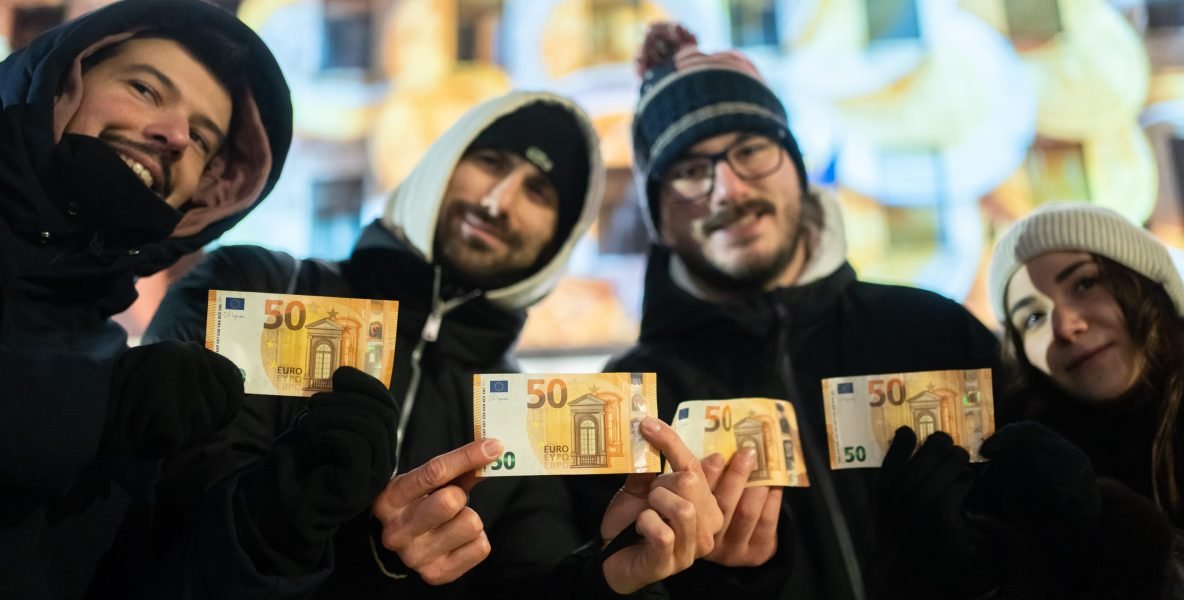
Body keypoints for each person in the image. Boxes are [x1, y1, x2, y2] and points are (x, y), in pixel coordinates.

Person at [143, 89, 722, 598]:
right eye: (489, 161)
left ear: (559, 240)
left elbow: (525, 577)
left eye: (540, 192)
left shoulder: (519, 415)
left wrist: (606, 577)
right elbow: (152, 508)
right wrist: (293, 514)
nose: (498, 201)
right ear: (440, 163)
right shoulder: (251, 283)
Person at [567, 22, 1000, 599]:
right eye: (691, 170)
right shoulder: (632, 401)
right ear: (659, 218)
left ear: (795, 166)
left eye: (750, 150)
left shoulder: (935, 330)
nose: (728, 189)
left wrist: (969, 556)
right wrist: (730, 583)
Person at [0, 1, 293, 598]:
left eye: (204, 139)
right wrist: (85, 407)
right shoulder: (105, 385)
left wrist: (278, 524)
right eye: (144, 88)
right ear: (62, 82)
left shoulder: (104, 351)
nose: (176, 135)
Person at [979, 202, 1184, 597]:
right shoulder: (1027, 479)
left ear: (1147, 280)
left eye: (1084, 283)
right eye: (1032, 318)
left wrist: (1115, 526)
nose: (1065, 326)